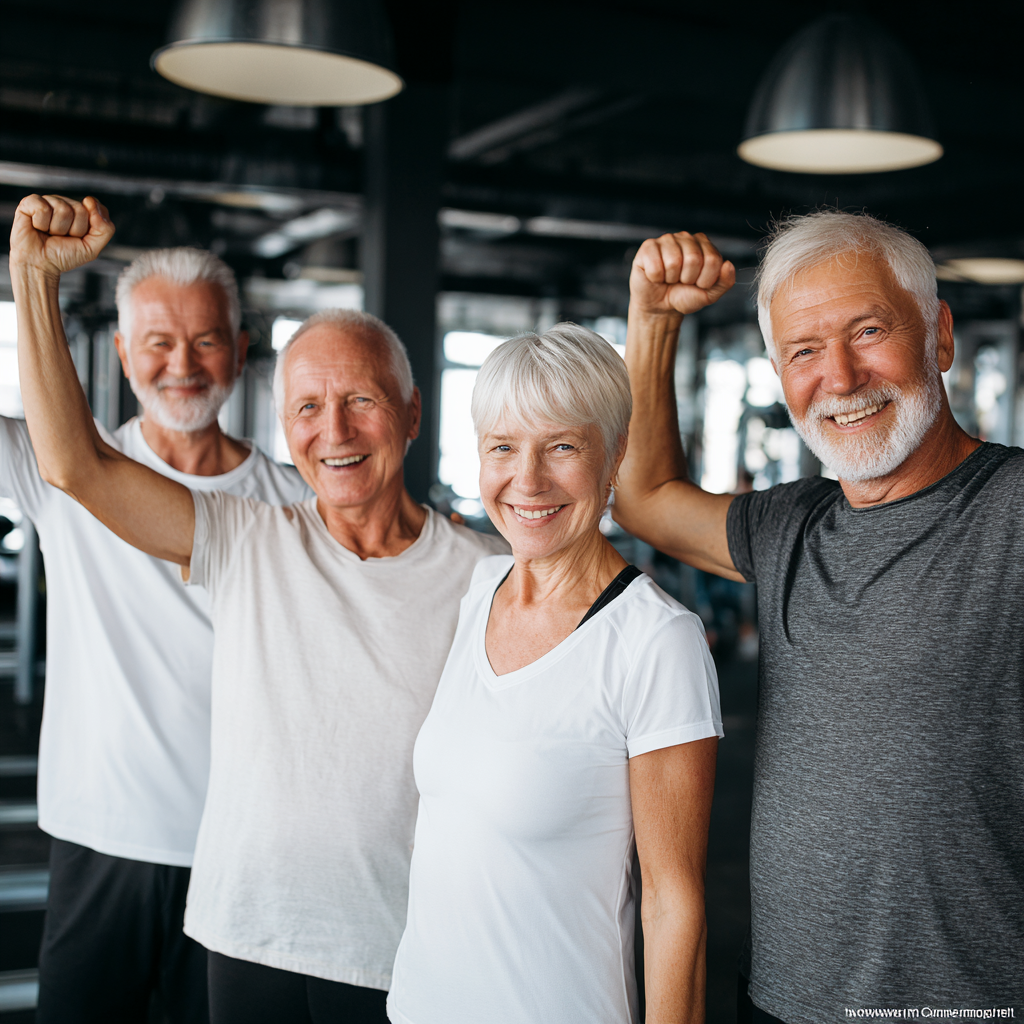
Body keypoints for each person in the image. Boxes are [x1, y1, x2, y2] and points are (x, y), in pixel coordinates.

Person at [9, 192, 507, 1024]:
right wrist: (29, 277)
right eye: (309, 406)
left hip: (352, 904)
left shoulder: (425, 551)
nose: (335, 428)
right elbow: (74, 464)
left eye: (205, 341)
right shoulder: (244, 531)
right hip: (179, 880)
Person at [613, 213, 1024, 1023]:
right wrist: (653, 322)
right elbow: (645, 498)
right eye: (803, 350)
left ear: (938, 334)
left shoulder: (1012, 511)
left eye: (868, 331)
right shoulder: (787, 527)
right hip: (781, 999)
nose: (838, 376)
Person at [1, 239, 311, 1022]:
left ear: (241, 351)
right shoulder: (63, 465)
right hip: (103, 838)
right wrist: (31, 281)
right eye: (160, 343)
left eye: (207, 340)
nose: (184, 364)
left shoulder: (293, 502)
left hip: (245, 855)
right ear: (121, 353)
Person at [387, 325, 723, 1024]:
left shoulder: (656, 641)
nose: (528, 480)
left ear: (616, 454)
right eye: (503, 447)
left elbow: (673, 906)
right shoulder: (481, 586)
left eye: (562, 446)